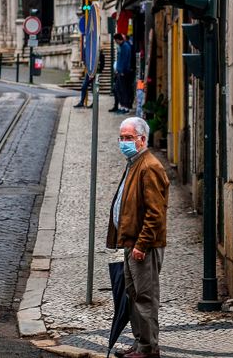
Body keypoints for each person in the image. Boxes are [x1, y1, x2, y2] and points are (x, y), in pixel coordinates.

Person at [107, 117, 169, 358]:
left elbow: (155, 213)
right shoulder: (134, 162)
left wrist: (142, 244)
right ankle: (139, 343)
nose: (124, 142)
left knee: (145, 296)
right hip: (131, 242)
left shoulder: (149, 166)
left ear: (142, 139)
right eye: (121, 138)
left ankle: (148, 349)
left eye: (129, 138)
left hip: (144, 245)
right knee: (133, 295)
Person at [112, 33, 133, 113]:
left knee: (124, 90)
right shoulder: (122, 47)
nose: (115, 42)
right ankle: (122, 106)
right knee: (118, 89)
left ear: (118, 39)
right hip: (120, 71)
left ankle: (126, 107)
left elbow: (125, 60)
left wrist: (122, 71)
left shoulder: (125, 47)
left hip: (123, 72)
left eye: (115, 40)